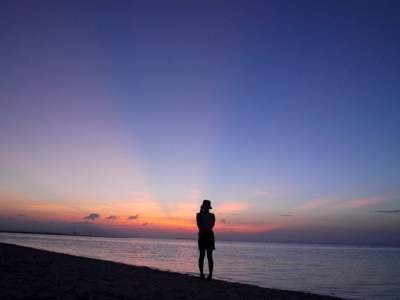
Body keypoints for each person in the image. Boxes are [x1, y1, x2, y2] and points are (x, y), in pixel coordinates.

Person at [196, 199, 215, 281]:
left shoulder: (198, 215)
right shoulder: (212, 216)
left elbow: (199, 225)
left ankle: (201, 274)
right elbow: (212, 225)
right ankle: (210, 275)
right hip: (210, 236)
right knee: (210, 257)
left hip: (202, 237)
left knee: (201, 256)